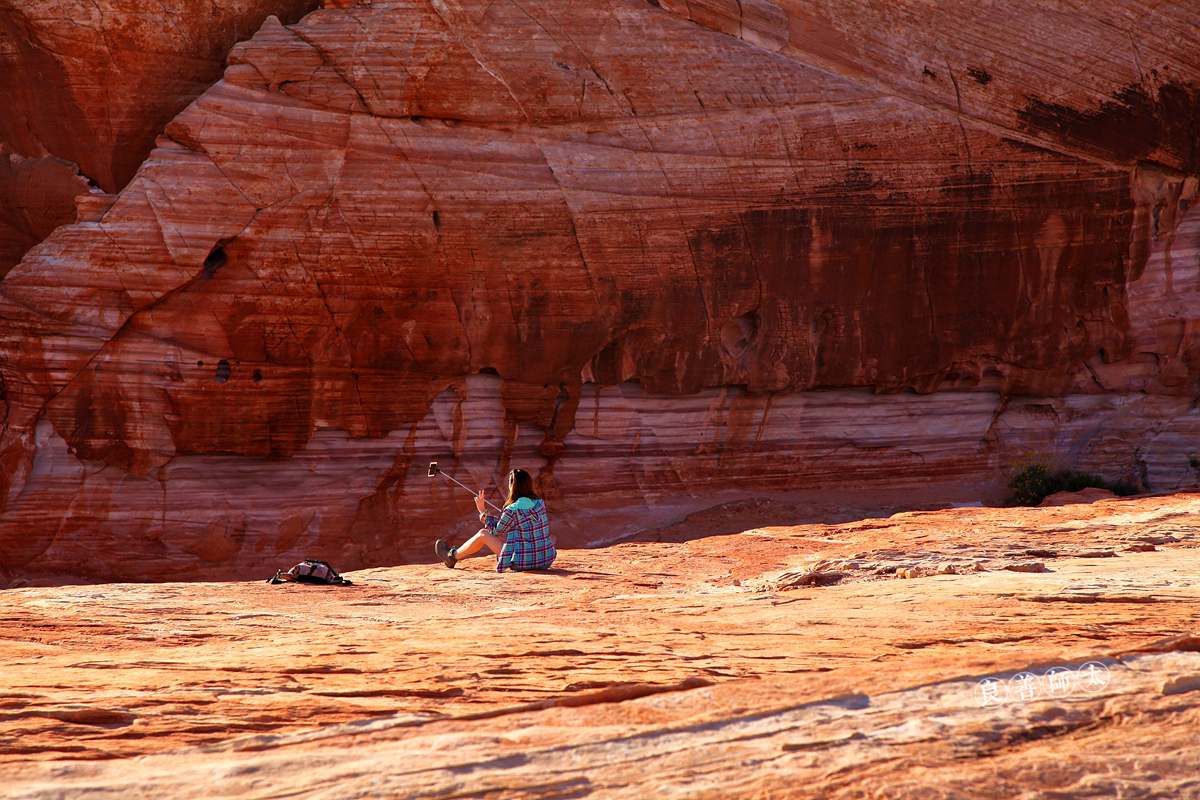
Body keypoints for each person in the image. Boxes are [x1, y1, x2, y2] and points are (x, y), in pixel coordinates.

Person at [434, 468, 556, 572]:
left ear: (512, 486)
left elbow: (495, 531)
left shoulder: (512, 509)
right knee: (507, 538)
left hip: (523, 563)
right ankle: (453, 556)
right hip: (545, 561)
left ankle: (452, 557)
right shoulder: (540, 504)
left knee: (483, 534)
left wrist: (482, 511)